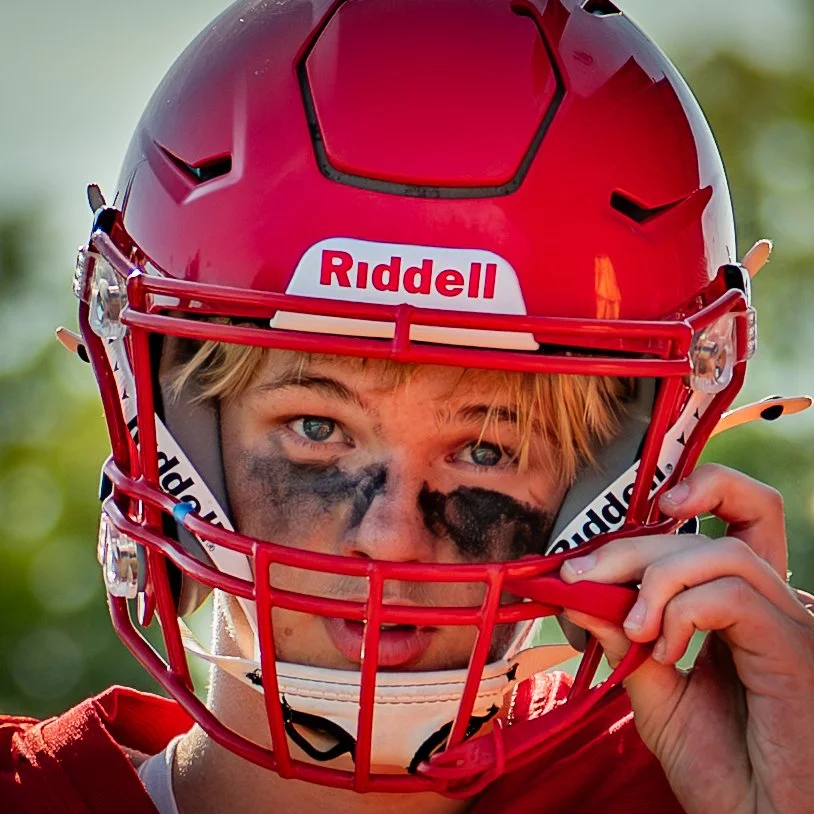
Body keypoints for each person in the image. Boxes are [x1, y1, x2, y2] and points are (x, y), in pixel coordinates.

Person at [3, 0, 813, 812]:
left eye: (486, 449)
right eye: (317, 428)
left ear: (600, 491)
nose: (390, 540)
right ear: (180, 445)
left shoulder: (711, 782)